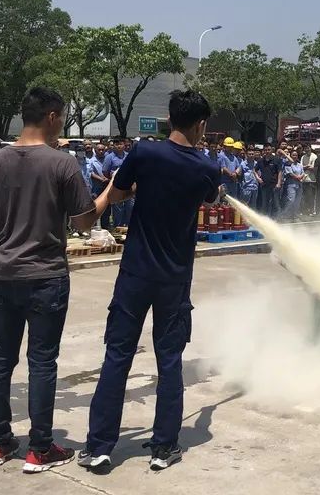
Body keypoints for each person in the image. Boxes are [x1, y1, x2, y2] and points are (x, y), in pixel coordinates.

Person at [81, 90, 222, 474]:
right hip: (174, 280)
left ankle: (100, 447)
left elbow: (118, 193)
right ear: (200, 125)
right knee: (170, 361)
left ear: (170, 118)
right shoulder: (207, 168)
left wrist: (137, 188)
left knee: (117, 356)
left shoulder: (144, 152)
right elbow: (211, 198)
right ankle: (164, 447)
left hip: (135, 274)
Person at [0, 87, 110, 473]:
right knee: (42, 361)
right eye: (62, 116)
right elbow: (83, 221)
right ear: (52, 116)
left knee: (1, 359)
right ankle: (40, 448)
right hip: (46, 276)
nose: (62, 123)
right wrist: (109, 195)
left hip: (4, 274)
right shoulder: (61, 164)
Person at [102, 138, 131, 228]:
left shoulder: (129, 156)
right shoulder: (109, 157)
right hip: (116, 185)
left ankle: (128, 227)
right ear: (113, 146)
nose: (119, 146)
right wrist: (112, 179)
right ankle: (118, 227)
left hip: (129, 185)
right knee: (118, 208)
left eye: (121, 144)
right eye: (116, 144)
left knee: (130, 206)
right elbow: (105, 171)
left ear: (124, 145)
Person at [87, 141, 111, 230]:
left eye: (102, 150)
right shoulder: (91, 161)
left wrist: (108, 179)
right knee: (95, 206)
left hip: (107, 186)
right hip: (96, 187)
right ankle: (93, 226)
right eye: (99, 150)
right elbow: (91, 173)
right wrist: (101, 179)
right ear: (95, 150)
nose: (101, 151)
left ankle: (105, 226)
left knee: (107, 206)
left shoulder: (108, 159)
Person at [255, 145, 282, 216]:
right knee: (265, 203)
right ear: (264, 151)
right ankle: (265, 218)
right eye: (266, 150)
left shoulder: (277, 159)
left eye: (269, 150)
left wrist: (279, 183)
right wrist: (258, 178)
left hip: (274, 185)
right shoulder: (261, 160)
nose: (267, 151)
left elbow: (280, 171)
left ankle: (277, 219)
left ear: (272, 150)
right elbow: (254, 170)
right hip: (264, 185)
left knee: (275, 203)